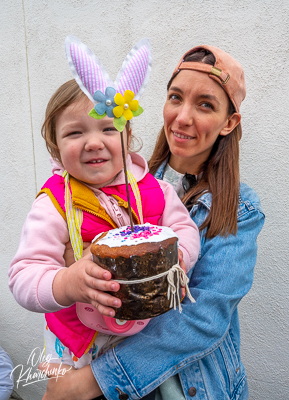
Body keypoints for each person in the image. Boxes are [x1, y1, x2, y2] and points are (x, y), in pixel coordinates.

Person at [39, 44, 265, 400]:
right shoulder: (114, 184)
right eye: (176, 97)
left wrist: (88, 382)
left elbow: (202, 317)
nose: (183, 117)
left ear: (229, 122)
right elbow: (56, 271)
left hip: (191, 386)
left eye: (205, 104)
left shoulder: (239, 209)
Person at [8, 74, 200, 368]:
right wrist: (68, 282)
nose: (94, 143)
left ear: (128, 134)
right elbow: (23, 276)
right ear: (55, 145)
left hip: (143, 337)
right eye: (75, 133)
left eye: (108, 129)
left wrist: (179, 260)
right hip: (77, 346)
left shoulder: (155, 190)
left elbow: (185, 229)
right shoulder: (53, 205)